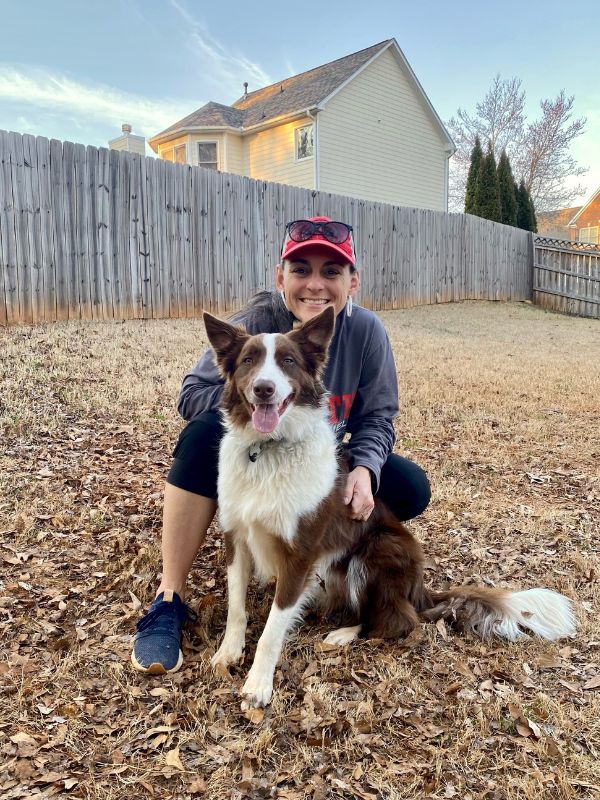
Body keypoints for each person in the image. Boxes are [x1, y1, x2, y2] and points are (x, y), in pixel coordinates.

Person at [131, 216, 431, 675]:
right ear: (280, 277)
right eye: (301, 270)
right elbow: (191, 394)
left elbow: (377, 417)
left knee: (409, 486)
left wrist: (365, 469)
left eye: (331, 272)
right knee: (199, 438)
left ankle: (332, 555)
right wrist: (252, 397)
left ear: (352, 282)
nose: (315, 284)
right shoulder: (253, 325)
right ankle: (169, 597)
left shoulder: (365, 331)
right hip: (253, 444)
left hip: (318, 450)